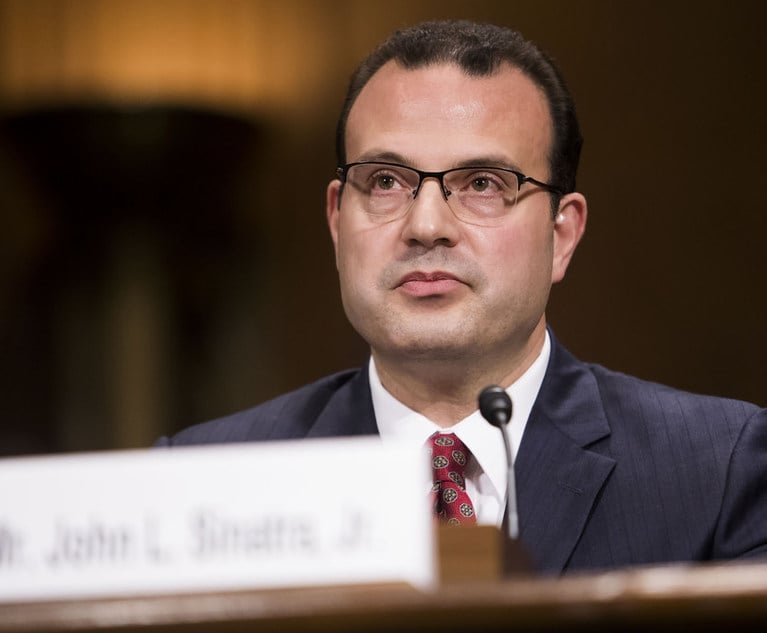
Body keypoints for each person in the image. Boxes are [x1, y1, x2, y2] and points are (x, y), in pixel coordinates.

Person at [156, 20, 767, 574]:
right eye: (386, 181)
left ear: (562, 236)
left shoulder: (720, 472)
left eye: (481, 183)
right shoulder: (201, 479)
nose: (426, 224)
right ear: (338, 222)